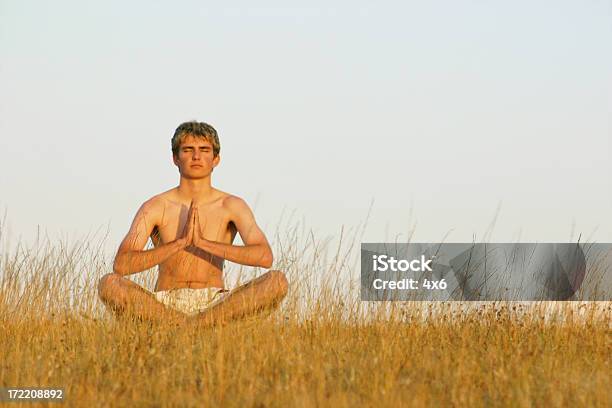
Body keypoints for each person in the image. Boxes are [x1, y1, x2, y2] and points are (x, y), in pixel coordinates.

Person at [98, 121, 288, 326]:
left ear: (216, 159)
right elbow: (122, 264)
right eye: (188, 150)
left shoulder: (231, 205)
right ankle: (185, 325)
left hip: (216, 303)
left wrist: (203, 243)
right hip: (164, 303)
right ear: (175, 158)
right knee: (109, 283)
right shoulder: (155, 206)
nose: (196, 157)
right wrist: (179, 243)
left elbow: (265, 257)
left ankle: (193, 326)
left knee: (277, 281)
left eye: (204, 150)